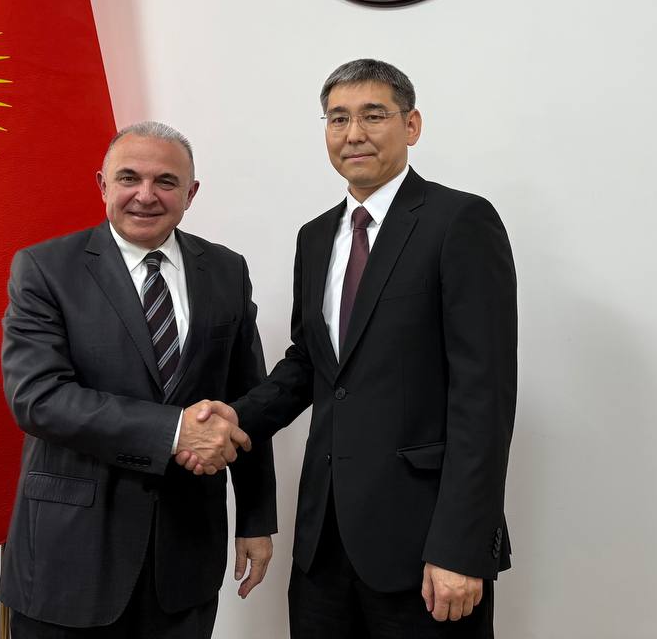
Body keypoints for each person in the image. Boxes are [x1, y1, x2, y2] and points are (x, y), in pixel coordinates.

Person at [181, 60, 517, 637]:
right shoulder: (315, 236)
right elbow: (311, 362)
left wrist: (462, 547)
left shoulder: (459, 221)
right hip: (323, 542)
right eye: (338, 118)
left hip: (425, 544)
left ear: (411, 125)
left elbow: (484, 397)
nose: (353, 133)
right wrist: (237, 417)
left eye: (373, 115)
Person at [0, 121, 276, 639]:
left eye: (166, 181)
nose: (145, 195)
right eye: (129, 178)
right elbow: (37, 398)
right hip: (69, 557)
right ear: (102, 185)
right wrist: (175, 432)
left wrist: (256, 519)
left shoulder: (226, 271)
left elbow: (246, 401)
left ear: (191, 193)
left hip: (186, 557)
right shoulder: (44, 268)